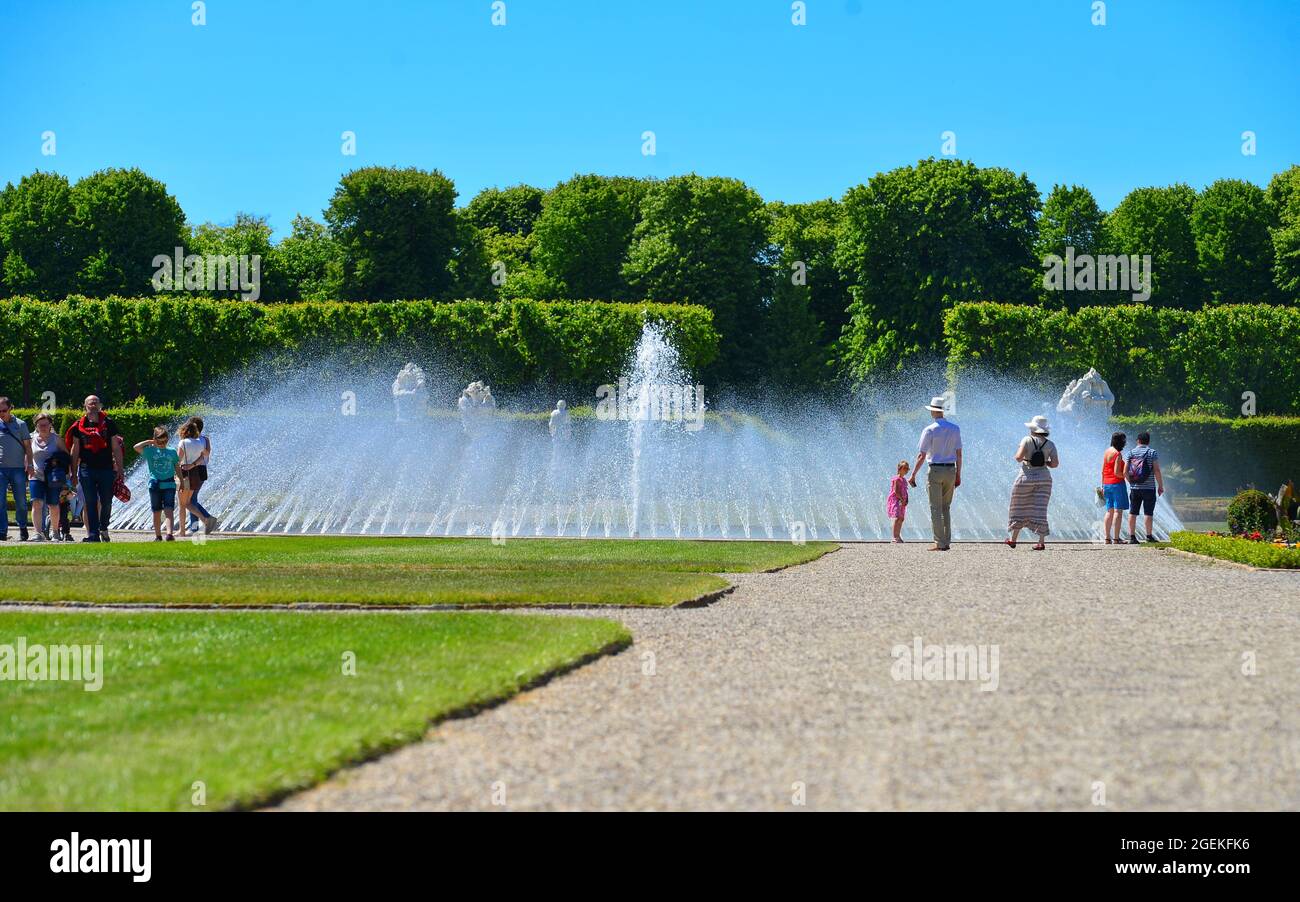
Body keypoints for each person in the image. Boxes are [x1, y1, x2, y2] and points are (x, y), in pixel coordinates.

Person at [909, 396, 962, 551]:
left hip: (936, 469)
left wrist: (913, 474)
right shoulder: (955, 429)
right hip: (951, 469)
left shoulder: (929, 430)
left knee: (935, 508)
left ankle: (939, 543)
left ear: (933, 410)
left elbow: (922, 455)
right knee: (946, 507)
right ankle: (947, 541)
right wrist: (958, 474)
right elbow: (959, 454)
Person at [68, 395, 122, 542]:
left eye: (96, 402)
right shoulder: (79, 425)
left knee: (107, 502)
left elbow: (116, 447)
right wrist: (73, 472)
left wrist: (120, 470)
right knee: (89, 502)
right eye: (90, 403)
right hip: (86, 469)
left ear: (100, 405)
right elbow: (75, 448)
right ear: (85, 406)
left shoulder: (109, 423)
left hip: (106, 468)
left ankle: (103, 527)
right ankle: (93, 534)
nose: (93, 405)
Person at [1006, 415, 1060, 550]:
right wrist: (1044, 461)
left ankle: (1013, 540)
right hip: (1044, 479)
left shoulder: (1027, 440)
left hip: (1026, 476)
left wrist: (1028, 457)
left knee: (1019, 506)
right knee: (1040, 510)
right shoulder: (1050, 444)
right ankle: (1041, 542)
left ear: (1033, 429)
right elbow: (1055, 464)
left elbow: (1018, 458)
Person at [28, 412, 69, 542]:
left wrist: (66, 474)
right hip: (36, 475)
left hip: (53, 476)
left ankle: (55, 532)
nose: (43, 427)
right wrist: (27, 468)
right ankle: (37, 533)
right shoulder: (31, 438)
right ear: (36, 426)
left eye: (46, 424)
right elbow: (27, 455)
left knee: (53, 504)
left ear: (50, 424)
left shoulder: (56, 439)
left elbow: (66, 456)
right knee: (36, 503)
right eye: (40, 425)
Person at [135, 427, 181, 541]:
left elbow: (177, 467)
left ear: (168, 440)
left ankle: (169, 534)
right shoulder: (150, 450)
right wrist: (150, 442)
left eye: (164, 441)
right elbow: (135, 447)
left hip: (169, 484)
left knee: (168, 510)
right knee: (157, 511)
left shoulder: (172, 451)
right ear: (155, 439)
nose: (162, 444)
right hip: (156, 485)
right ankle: (158, 535)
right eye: (159, 441)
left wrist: (181, 480)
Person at [0, 397, 34, 541]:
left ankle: (22, 526)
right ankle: (2, 530)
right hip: (1, 469)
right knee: (0, 501)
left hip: (18, 468)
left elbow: (28, 447)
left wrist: (30, 465)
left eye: (4, 410)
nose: (1, 413)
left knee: (20, 501)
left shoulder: (21, 425)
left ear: (10, 408)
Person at [177, 417, 217, 536]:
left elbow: (180, 458)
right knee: (192, 499)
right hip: (201, 470)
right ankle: (195, 526)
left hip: (190, 470)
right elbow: (207, 454)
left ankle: (204, 521)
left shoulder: (189, 440)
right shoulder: (205, 439)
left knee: (190, 500)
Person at [1125, 431, 1164, 544]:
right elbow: (1156, 470)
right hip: (1149, 488)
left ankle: (1132, 537)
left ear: (1138, 441)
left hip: (1135, 488)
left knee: (1133, 512)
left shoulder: (1131, 453)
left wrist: (1131, 483)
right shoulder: (1152, 452)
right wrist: (1160, 486)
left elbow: (1125, 471)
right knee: (1148, 512)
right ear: (1148, 441)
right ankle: (1148, 536)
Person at [1101, 432, 1128, 545]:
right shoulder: (1117, 454)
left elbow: (1103, 471)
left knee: (1109, 511)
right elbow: (1117, 473)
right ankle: (1116, 539)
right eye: (1124, 441)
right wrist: (1126, 475)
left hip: (1106, 484)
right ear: (1120, 441)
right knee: (1118, 511)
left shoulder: (1107, 452)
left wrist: (1103, 485)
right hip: (1117, 484)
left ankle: (1107, 538)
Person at [888, 460, 910, 543]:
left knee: (901, 518)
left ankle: (898, 535)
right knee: (897, 518)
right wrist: (901, 499)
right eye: (905, 468)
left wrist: (906, 499)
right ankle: (894, 536)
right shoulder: (896, 479)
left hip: (903, 501)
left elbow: (905, 491)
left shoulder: (904, 480)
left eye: (908, 469)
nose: (907, 470)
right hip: (896, 500)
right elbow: (896, 491)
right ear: (900, 468)